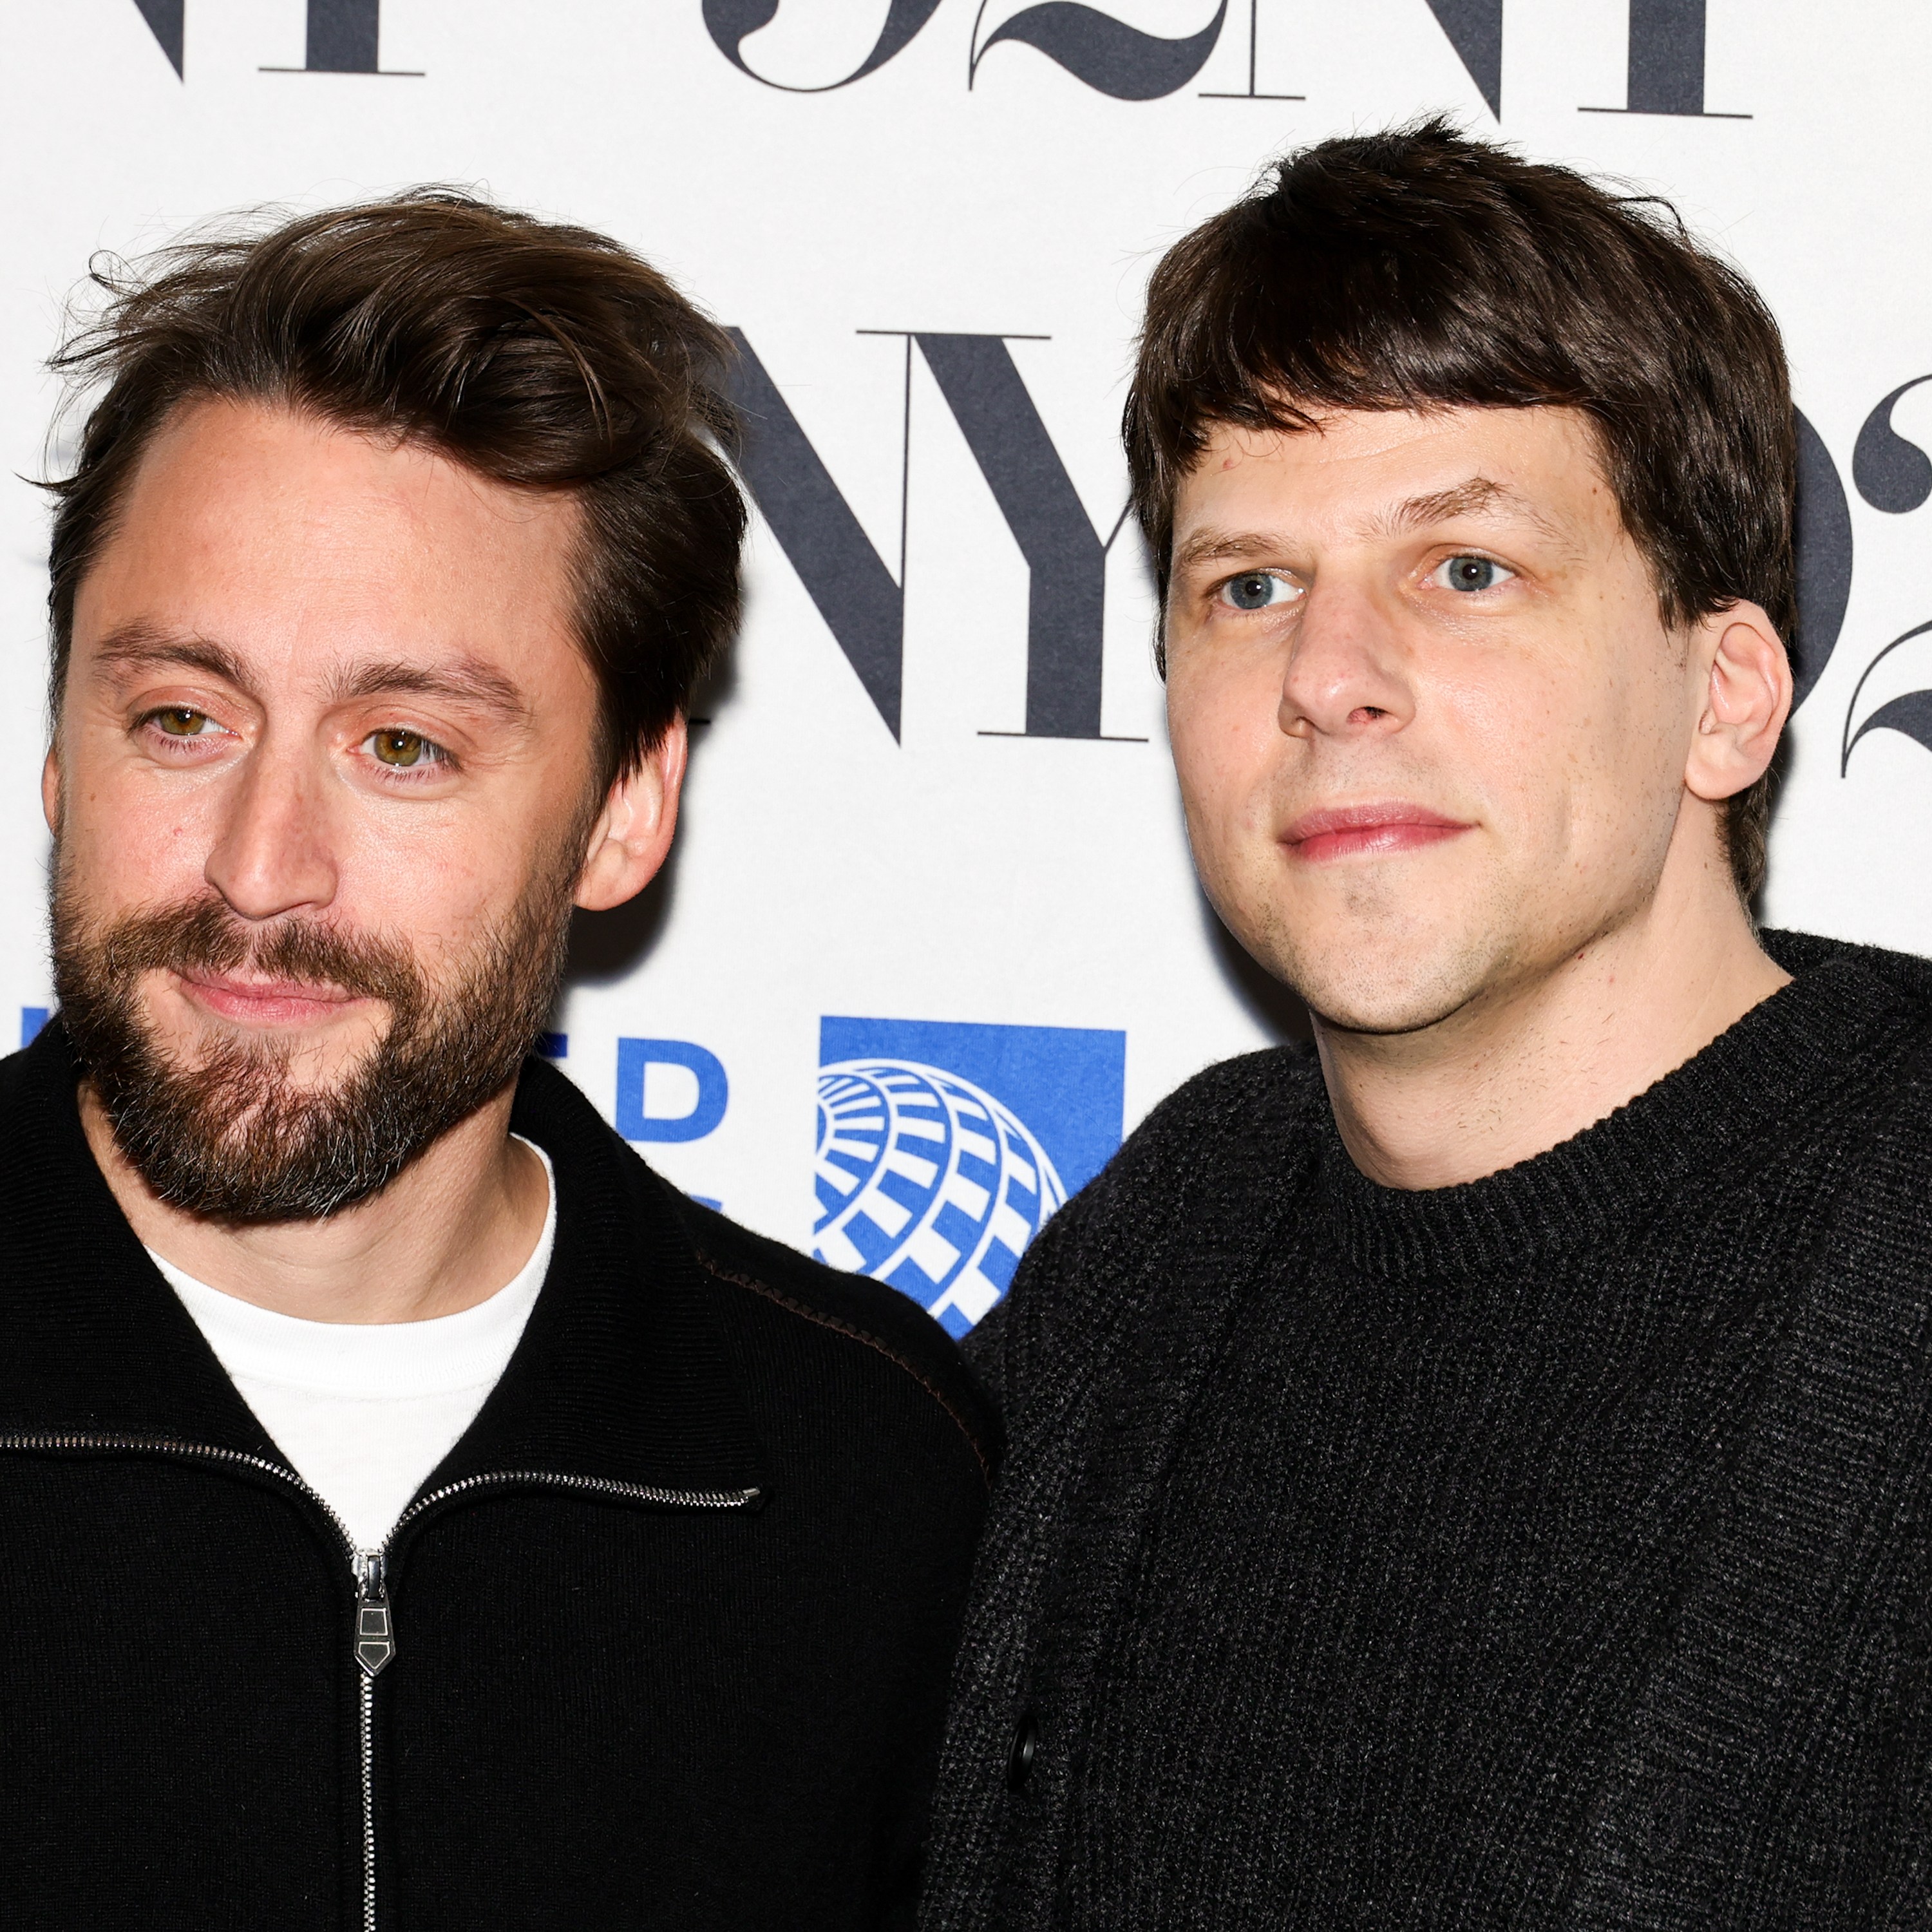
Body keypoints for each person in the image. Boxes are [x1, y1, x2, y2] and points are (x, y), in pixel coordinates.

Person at [920, 121, 1932, 1930]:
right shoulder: (1156, 1253)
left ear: (1728, 698)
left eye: (1466, 570)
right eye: (1249, 586)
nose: (1326, 678)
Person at [0, 191, 996, 1931]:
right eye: (182, 717)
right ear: (61, 751)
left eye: (402, 746)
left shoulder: (863, 1481)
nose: (256, 867)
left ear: (626, 810)